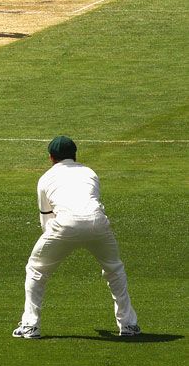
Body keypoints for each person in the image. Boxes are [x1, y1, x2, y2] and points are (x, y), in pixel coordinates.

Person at [12, 136, 141, 339]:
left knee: (36, 269)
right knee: (114, 269)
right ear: (75, 155)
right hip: (98, 223)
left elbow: (46, 220)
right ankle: (129, 325)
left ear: (51, 157)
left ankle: (30, 326)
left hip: (64, 225)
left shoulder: (46, 178)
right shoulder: (89, 172)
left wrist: (55, 246)